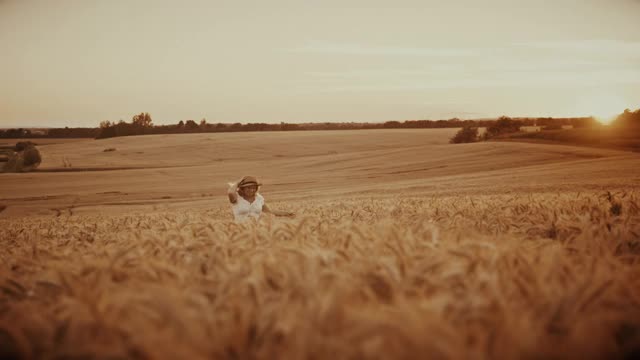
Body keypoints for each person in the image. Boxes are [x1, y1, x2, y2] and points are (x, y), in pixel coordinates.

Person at [227, 176, 294, 222]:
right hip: (239, 230)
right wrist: (238, 183)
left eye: (254, 187)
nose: (251, 190)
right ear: (242, 189)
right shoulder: (236, 198)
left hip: (256, 230)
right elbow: (230, 192)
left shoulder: (259, 198)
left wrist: (287, 214)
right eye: (248, 188)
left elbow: (269, 212)